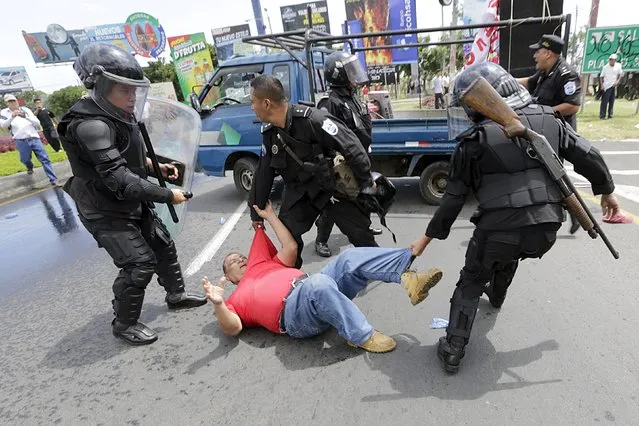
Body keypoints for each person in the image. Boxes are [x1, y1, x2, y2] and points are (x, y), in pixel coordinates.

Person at [410, 62, 621, 374]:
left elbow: (451, 201)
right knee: (513, 250)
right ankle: (496, 296)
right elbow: (587, 155)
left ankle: (453, 349)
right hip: (546, 230)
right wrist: (606, 191)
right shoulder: (551, 119)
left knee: (471, 280)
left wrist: (425, 240)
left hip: (497, 231)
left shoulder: (474, 141)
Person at [57, 43, 206, 346]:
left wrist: (159, 168)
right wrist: (169, 195)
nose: (132, 97)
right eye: (123, 90)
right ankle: (124, 324)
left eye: (134, 90)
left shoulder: (116, 115)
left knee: (162, 244)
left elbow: (129, 160)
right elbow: (120, 178)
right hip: (103, 207)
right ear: (99, 86)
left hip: (128, 199)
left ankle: (175, 295)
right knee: (138, 263)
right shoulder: (90, 125)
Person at [203, 200, 443, 353]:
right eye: (233, 262)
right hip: (296, 315)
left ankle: (406, 275)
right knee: (319, 283)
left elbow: (291, 248)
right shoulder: (237, 297)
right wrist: (219, 304)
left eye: (241, 256)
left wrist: (270, 217)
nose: (240, 259)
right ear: (231, 278)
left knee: (348, 259)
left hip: (314, 290)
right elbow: (233, 328)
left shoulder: (266, 264)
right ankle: (361, 335)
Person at [248, 75, 379, 269]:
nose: (251, 107)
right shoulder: (270, 134)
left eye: (252, 102)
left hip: (332, 188)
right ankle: (290, 283)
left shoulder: (313, 119)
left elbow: (352, 146)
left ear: (266, 103)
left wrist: (366, 185)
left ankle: (401, 273)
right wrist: (256, 212)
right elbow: (263, 173)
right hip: (300, 193)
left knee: (362, 236)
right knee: (288, 240)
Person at [314, 51, 381, 259]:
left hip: (358, 157)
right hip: (342, 163)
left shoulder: (351, 95)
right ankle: (321, 239)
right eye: (349, 71)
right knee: (335, 204)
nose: (354, 75)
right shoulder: (330, 102)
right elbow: (327, 138)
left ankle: (364, 227)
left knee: (363, 197)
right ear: (338, 75)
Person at [517, 34, 583, 234]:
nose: (535, 55)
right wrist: (502, 80)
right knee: (549, 175)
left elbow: (572, 106)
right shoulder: (546, 71)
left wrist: (543, 113)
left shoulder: (566, 74)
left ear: (547, 53)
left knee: (554, 176)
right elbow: (528, 82)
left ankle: (574, 213)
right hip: (544, 131)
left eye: (538, 51)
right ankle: (571, 213)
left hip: (557, 134)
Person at [0, 94, 59, 186]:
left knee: (44, 159)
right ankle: (29, 167)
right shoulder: (4, 113)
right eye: (10, 101)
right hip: (20, 140)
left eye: (14, 101)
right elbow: (4, 126)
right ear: (6, 103)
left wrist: (25, 116)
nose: (13, 103)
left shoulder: (25, 110)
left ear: (17, 101)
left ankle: (53, 180)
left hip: (34, 138)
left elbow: (37, 122)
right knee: (25, 159)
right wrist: (12, 116)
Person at [599, 53, 623, 120]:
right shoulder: (605, 67)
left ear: (615, 60)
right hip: (607, 86)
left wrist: (617, 81)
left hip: (613, 85)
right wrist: (602, 85)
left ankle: (610, 115)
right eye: (610, 60)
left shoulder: (618, 66)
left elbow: (620, 74)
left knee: (612, 101)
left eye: (612, 60)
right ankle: (602, 115)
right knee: (604, 101)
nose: (611, 61)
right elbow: (601, 76)